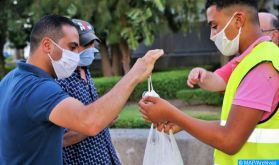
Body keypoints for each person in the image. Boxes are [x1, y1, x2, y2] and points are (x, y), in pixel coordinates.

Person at [0, 14, 163, 164]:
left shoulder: (9, 80)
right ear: (47, 45)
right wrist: (135, 73)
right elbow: (90, 121)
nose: (76, 55)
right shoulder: (40, 88)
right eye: (72, 47)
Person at [139, 0, 279, 164]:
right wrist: (183, 122)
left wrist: (172, 114)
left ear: (238, 20)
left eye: (214, 26)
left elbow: (229, 140)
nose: (212, 36)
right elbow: (238, 123)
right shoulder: (252, 59)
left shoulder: (262, 67)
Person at [56, 19, 120, 164]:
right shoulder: (59, 80)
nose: (92, 49)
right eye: (86, 44)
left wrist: (106, 111)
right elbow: (61, 138)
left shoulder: (85, 70)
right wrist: (100, 121)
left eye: (92, 44)